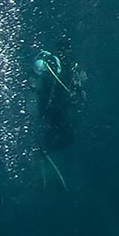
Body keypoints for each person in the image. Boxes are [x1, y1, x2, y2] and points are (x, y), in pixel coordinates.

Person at [33, 37, 85, 189]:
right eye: (66, 48)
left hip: (56, 109)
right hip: (53, 109)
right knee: (68, 137)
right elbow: (53, 89)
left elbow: (69, 90)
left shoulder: (65, 66)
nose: (68, 51)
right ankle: (43, 150)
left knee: (62, 135)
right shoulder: (53, 64)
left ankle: (42, 150)